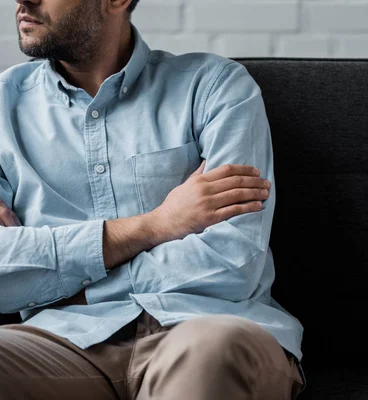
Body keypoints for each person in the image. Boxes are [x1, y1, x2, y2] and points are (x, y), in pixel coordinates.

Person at [0, 0, 305, 399]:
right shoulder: (4, 105)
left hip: (202, 326)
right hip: (63, 342)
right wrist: (156, 225)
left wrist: (72, 285)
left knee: (212, 353)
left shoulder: (213, 86)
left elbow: (234, 259)